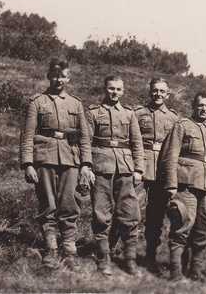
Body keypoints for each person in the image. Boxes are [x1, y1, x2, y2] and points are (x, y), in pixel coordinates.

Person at [19, 57, 94, 270]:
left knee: (70, 203)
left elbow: (84, 137)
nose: (58, 79)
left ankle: (69, 249)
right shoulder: (37, 102)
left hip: (71, 158)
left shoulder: (76, 104)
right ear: (48, 76)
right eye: (55, 75)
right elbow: (27, 135)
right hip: (44, 157)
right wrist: (28, 164)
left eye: (62, 75)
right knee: (48, 203)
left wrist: (86, 164)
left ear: (68, 77)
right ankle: (51, 248)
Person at [160, 91, 206, 281]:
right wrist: (171, 184)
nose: (204, 109)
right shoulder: (182, 125)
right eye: (200, 105)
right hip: (185, 184)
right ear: (193, 106)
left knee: (204, 230)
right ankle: (176, 273)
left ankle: (196, 272)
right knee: (181, 226)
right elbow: (170, 155)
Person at [87, 75, 144, 276]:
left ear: (123, 91)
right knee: (101, 213)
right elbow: (86, 141)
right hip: (101, 166)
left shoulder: (129, 114)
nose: (115, 93)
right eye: (111, 88)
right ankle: (103, 259)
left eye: (118, 89)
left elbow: (137, 143)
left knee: (130, 213)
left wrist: (139, 169)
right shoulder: (94, 112)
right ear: (105, 88)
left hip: (125, 168)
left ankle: (130, 260)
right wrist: (86, 166)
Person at [133, 78, 179, 273]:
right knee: (131, 210)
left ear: (167, 94)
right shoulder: (138, 114)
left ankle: (150, 256)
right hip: (141, 167)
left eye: (162, 91)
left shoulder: (174, 118)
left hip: (161, 170)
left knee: (156, 216)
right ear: (149, 91)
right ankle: (123, 253)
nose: (158, 94)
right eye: (155, 91)